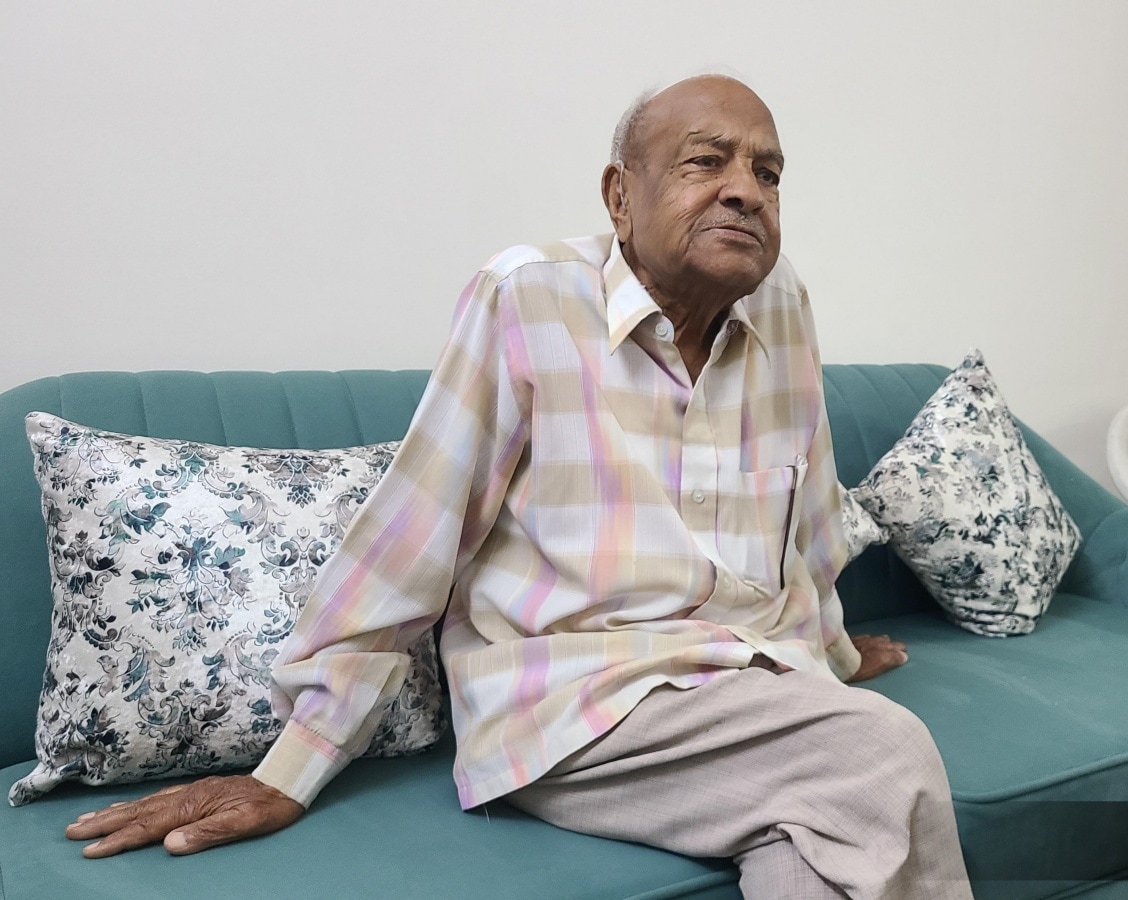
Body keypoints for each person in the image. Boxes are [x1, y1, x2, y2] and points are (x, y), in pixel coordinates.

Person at [64, 74, 975, 900]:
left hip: (751, 690)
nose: (746, 188)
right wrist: (290, 767)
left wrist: (832, 656)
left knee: (813, 846)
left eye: (770, 174)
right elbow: (413, 537)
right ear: (620, 196)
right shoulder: (527, 299)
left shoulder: (784, 308)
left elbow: (805, 517)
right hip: (578, 708)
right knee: (881, 751)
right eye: (708, 161)